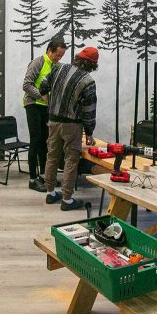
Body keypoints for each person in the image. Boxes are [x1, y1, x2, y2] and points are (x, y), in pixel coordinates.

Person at [39, 46, 98, 211]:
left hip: (53, 121)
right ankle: (67, 199)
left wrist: (50, 106)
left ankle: (50, 193)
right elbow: (89, 110)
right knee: (71, 161)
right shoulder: (88, 81)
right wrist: (90, 132)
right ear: (92, 65)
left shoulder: (59, 68)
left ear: (77, 58)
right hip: (72, 125)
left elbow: (42, 88)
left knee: (52, 156)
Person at [22, 37, 67, 191]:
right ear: (49, 51)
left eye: (61, 56)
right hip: (33, 105)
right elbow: (26, 85)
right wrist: (41, 95)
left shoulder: (57, 66)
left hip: (46, 108)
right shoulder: (38, 62)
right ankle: (32, 179)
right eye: (57, 55)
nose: (59, 58)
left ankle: (45, 176)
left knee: (45, 142)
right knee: (35, 140)